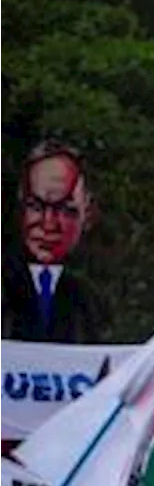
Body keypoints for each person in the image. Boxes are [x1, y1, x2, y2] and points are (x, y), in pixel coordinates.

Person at [1, 140, 101, 342]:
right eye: (35, 206)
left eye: (66, 210)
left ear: (88, 214)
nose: (49, 224)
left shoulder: (87, 299)